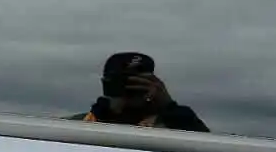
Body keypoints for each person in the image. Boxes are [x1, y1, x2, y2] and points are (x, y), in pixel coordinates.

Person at [72, 52, 209, 132]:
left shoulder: (177, 126)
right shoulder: (79, 126)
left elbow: (207, 147)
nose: (130, 88)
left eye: (138, 81)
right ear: (106, 85)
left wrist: (170, 108)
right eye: (123, 82)